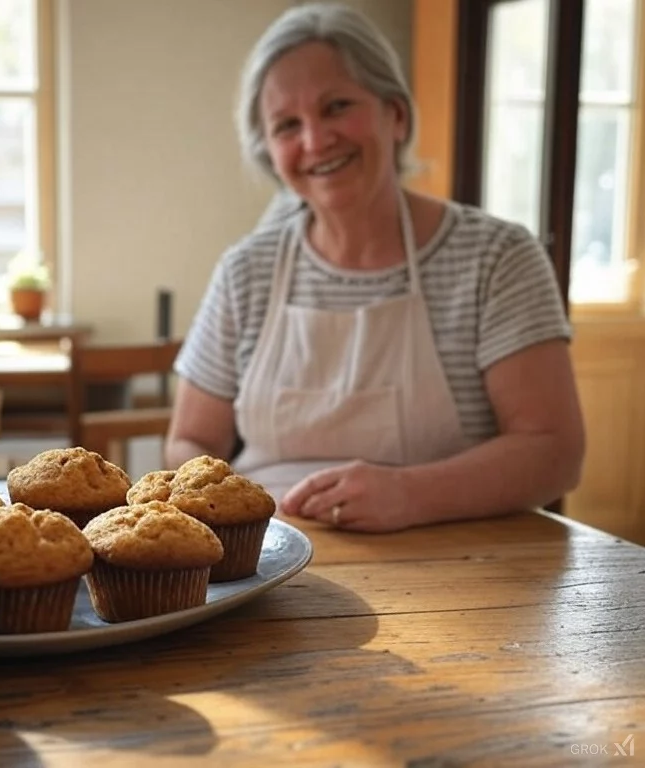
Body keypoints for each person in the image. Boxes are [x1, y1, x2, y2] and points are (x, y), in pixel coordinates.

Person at [164, 2, 585, 533]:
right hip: (269, 558)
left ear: (397, 114)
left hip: (459, 565)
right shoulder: (245, 272)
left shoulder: (496, 258)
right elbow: (191, 441)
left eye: (337, 106)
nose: (316, 141)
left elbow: (554, 451)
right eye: (287, 125)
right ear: (270, 152)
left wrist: (412, 494)